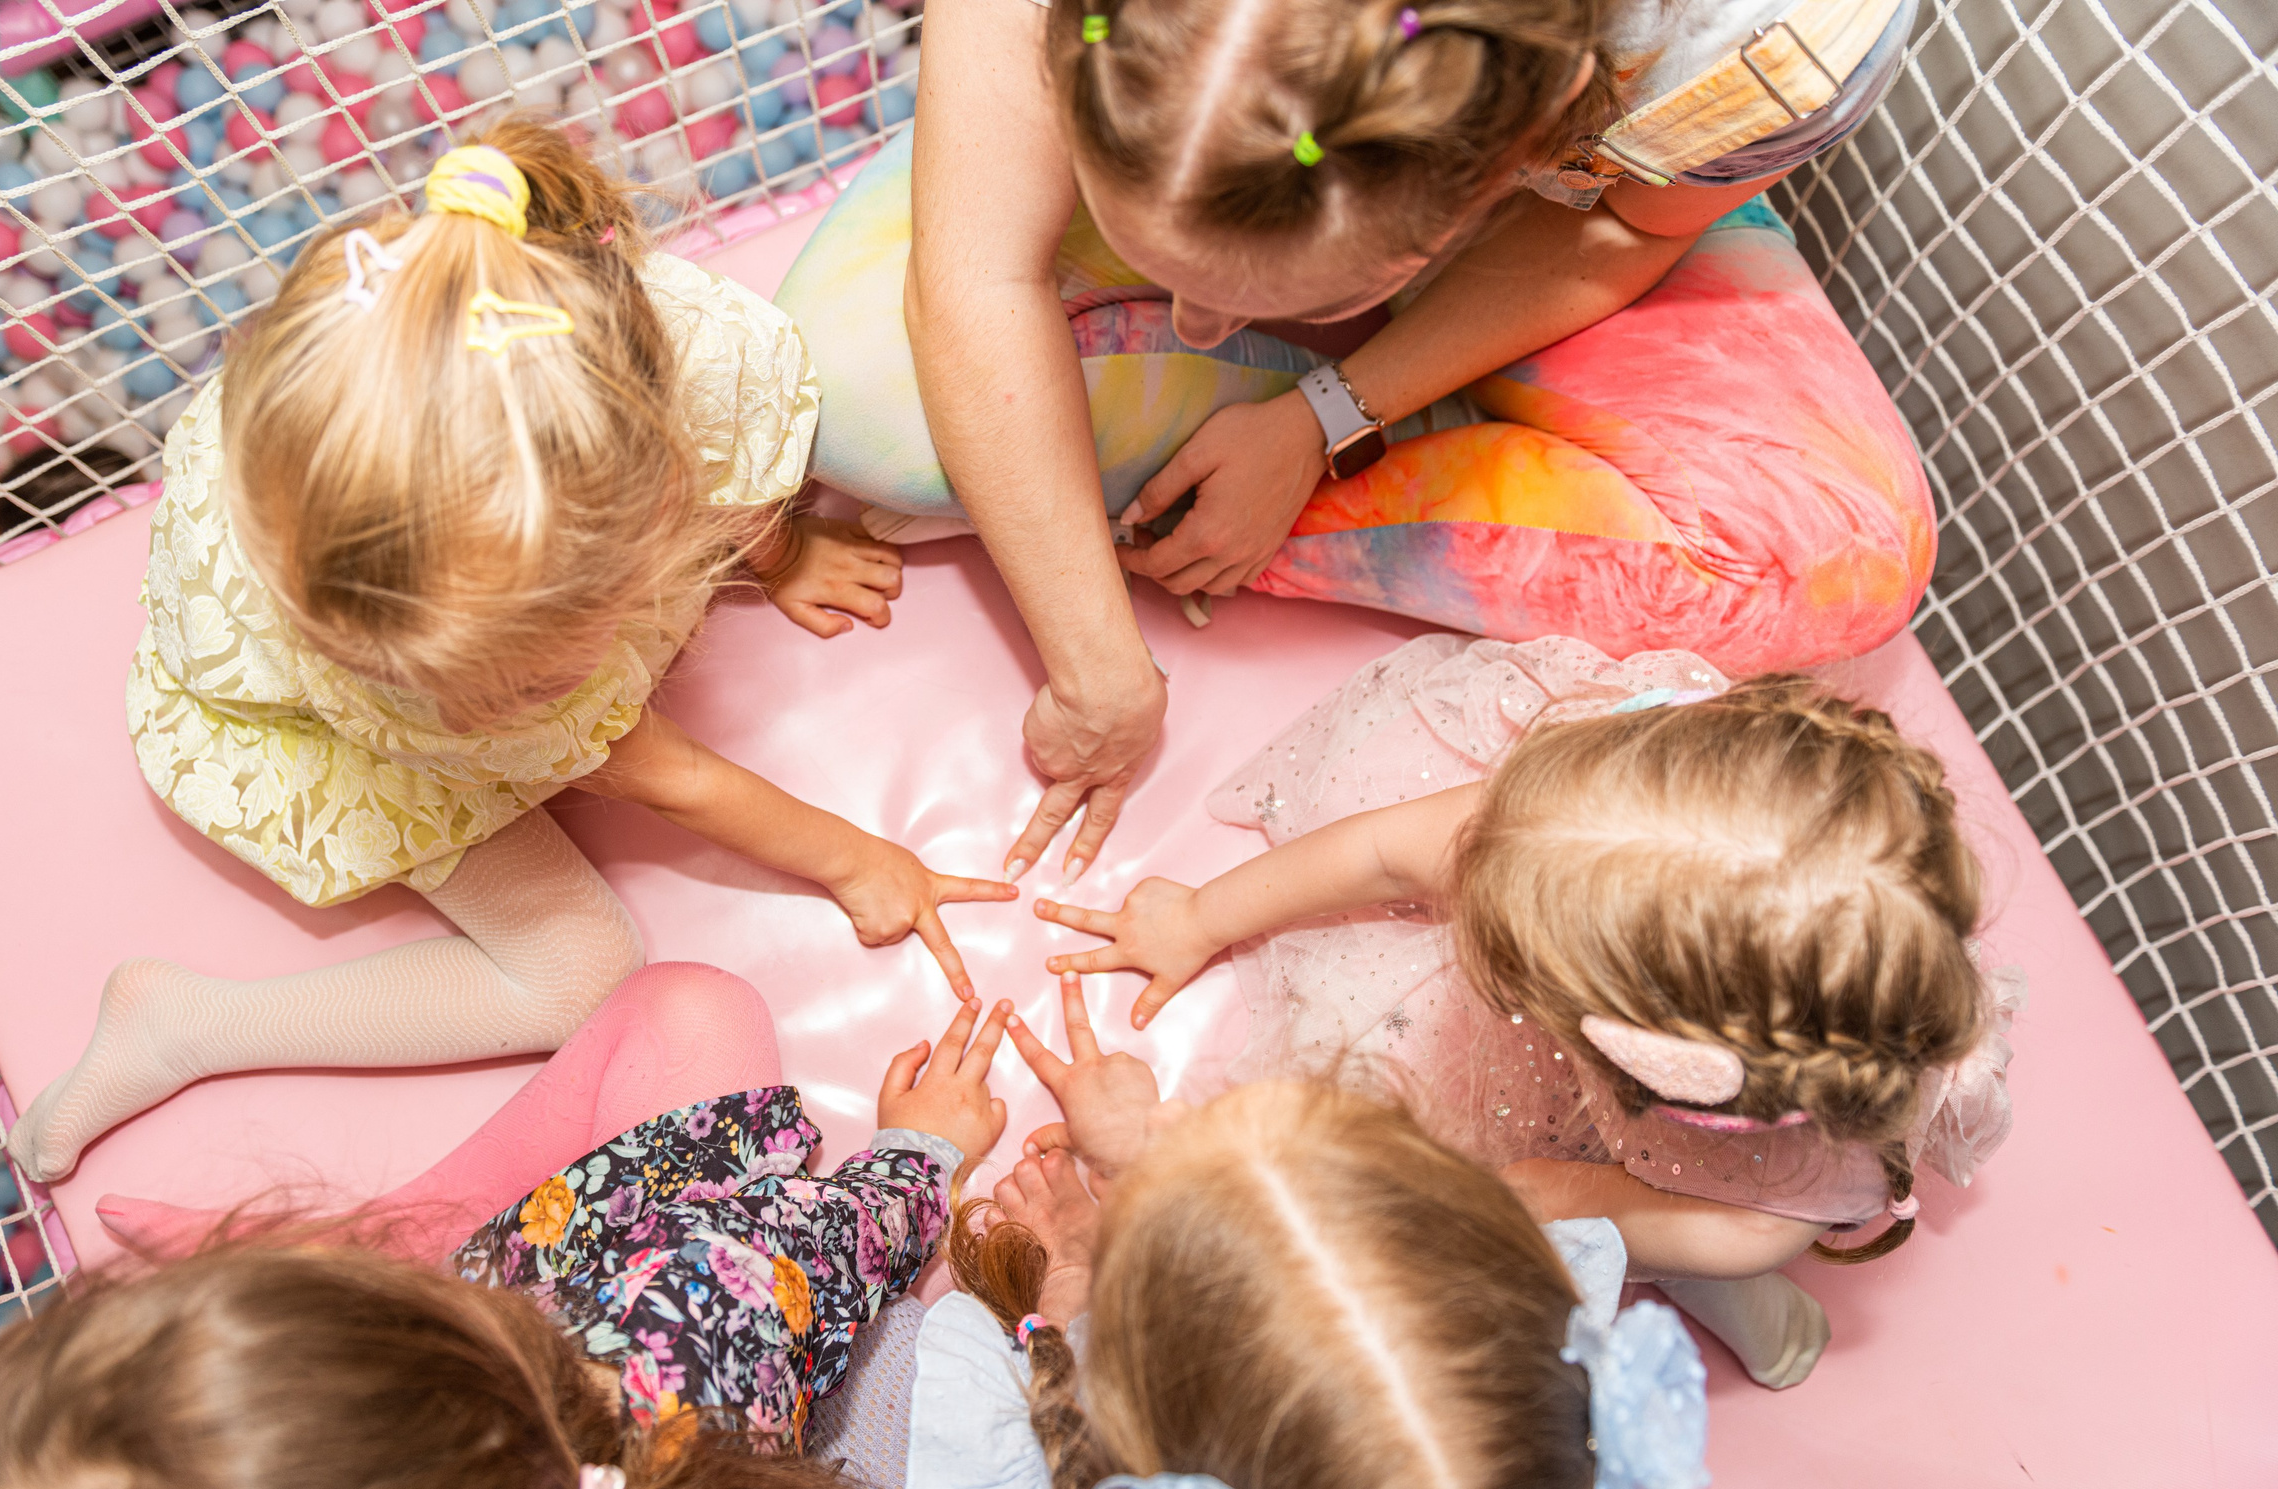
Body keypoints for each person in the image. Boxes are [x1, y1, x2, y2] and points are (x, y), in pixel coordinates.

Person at [9, 114, 1012, 1181]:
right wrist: (862, 862)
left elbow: (738, 460)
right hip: (309, 718)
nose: (495, 709)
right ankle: (189, 1026)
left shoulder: (679, 367)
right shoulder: (395, 623)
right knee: (583, 976)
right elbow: (671, 779)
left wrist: (782, 550)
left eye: (525, 677)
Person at [776, 0, 1932, 880]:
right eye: (1183, 283)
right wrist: (1096, 666)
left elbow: (1623, 219)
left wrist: (1327, 417)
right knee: (832, 390)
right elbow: (977, 274)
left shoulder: (1777, 39)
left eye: (1248, 299)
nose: (1201, 327)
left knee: (1827, 564)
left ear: (1520, 145)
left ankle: (1247, 446)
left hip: (1589, 210)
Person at [0, 967, 1014, 1489]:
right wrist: (923, 1152)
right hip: (713, 1406)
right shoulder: (689, 1320)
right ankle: (419, 1228)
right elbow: (837, 1242)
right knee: (686, 1006)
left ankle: (419, 1228)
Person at [1035, 638, 2019, 1388]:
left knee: (1623, 1232)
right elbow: (1386, 853)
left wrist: (1191, 1163)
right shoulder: (1606, 818)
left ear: (1628, 1054)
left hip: (1704, 1187)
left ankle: (1683, 1272)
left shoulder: (1756, 1218)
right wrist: (1202, 917)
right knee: (1644, 1220)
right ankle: (1664, 1246)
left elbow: (1532, 1195)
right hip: (1723, 1099)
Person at [840, 1025, 1710, 1489]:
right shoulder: (1515, 1452)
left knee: (879, 1389)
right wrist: (1149, 1157)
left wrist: (1069, 1274)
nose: (1180, 1116)